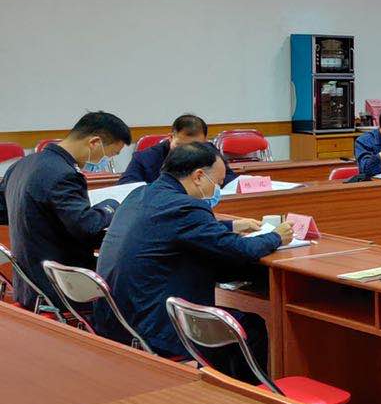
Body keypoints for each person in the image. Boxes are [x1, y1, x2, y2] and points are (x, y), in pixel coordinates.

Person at [96, 143, 289, 378]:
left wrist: (231, 225)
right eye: (217, 183)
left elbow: (173, 227)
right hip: (153, 325)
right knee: (249, 327)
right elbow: (240, 250)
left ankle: (218, 383)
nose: (217, 189)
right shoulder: (186, 207)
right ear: (198, 176)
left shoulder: (141, 195)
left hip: (117, 319)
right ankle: (245, 393)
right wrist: (276, 236)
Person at [0, 111, 131, 311]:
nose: (107, 160)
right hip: (60, 288)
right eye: (111, 154)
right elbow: (88, 227)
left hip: (28, 284)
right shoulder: (63, 174)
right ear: (94, 142)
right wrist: (112, 205)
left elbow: (4, 212)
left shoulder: (22, 164)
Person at [118, 114, 237, 186]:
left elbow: (230, 180)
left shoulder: (210, 153)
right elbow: (126, 186)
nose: (187, 152)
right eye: (180, 145)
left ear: (205, 142)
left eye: (196, 146)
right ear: (171, 138)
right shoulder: (145, 158)